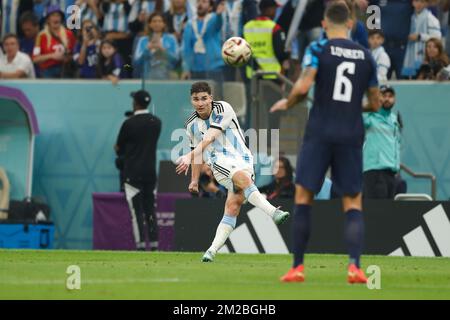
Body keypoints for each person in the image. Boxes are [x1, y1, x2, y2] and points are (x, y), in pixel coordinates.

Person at [270, 2, 380, 283]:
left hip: (320, 131)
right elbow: (376, 103)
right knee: (352, 202)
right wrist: (353, 106)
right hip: (351, 134)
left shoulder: (319, 48)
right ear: (351, 24)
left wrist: (288, 101)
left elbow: (304, 86)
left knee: (304, 196)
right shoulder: (367, 56)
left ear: (325, 23)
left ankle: (297, 268)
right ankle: (354, 267)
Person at [176, 81, 290, 262]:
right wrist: (194, 180)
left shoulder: (223, 108)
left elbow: (211, 136)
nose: (200, 103)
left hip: (243, 158)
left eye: (204, 98)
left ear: (210, 98)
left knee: (233, 205)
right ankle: (273, 213)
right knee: (242, 180)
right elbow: (199, 154)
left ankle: (211, 251)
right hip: (219, 163)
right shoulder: (191, 124)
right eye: (196, 99)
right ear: (191, 101)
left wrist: (188, 156)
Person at [115, 90, 162, 251]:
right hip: (150, 173)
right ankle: (155, 244)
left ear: (135, 103)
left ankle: (141, 245)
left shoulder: (129, 123)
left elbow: (118, 147)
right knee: (150, 209)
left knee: (137, 212)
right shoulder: (157, 122)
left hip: (132, 174)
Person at [363, 85, 402, 199]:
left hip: (391, 173)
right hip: (375, 171)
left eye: (390, 96)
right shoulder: (369, 116)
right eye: (383, 95)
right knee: (376, 212)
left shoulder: (394, 120)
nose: (387, 99)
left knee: (386, 213)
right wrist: (372, 103)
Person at [243, 0, 289, 80]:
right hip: (272, 74)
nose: (275, 12)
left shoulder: (247, 27)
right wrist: (287, 55)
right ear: (269, 10)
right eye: (274, 9)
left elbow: (242, 51)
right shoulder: (274, 28)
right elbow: (280, 52)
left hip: (252, 75)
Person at [32, 5, 77, 78]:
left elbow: (75, 54)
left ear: (61, 18)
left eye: (58, 16)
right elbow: (35, 59)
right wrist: (52, 56)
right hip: (48, 72)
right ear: (48, 20)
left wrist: (67, 57)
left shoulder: (69, 34)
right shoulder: (41, 36)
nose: (55, 18)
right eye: (52, 16)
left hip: (65, 71)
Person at [402, 0, 441, 79]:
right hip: (410, 55)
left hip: (423, 56)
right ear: (412, 3)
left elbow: (437, 37)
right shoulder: (410, 17)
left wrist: (420, 36)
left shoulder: (430, 18)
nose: (419, 4)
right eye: (416, 1)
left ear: (426, 4)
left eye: (422, 1)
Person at [133, 12, 179, 80]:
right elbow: (136, 62)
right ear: (149, 24)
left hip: (168, 78)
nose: (157, 24)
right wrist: (147, 49)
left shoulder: (171, 39)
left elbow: (176, 60)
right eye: (154, 21)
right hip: (147, 79)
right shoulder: (143, 40)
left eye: (160, 21)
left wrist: (162, 49)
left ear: (164, 24)